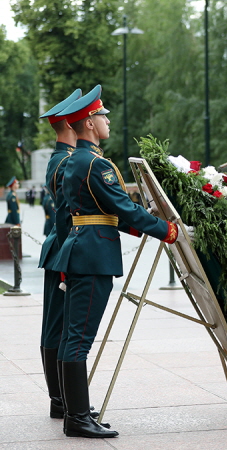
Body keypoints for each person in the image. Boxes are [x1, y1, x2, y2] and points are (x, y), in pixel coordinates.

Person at [53, 85, 179, 438]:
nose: (107, 120)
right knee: (79, 339)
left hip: (83, 250)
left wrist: (141, 225)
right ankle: (77, 418)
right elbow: (122, 207)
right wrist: (165, 229)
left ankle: (75, 413)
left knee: (71, 337)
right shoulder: (95, 164)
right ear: (90, 122)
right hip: (93, 257)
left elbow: (104, 211)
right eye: (102, 115)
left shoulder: (75, 161)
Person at [36, 87, 81, 423]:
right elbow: (67, 216)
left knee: (56, 327)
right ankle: (60, 401)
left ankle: (60, 400)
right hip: (63, 251)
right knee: (58, 328)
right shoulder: (66, 162)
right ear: (70, 123)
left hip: (57, 250)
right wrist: (69, 262)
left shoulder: (60, 159)